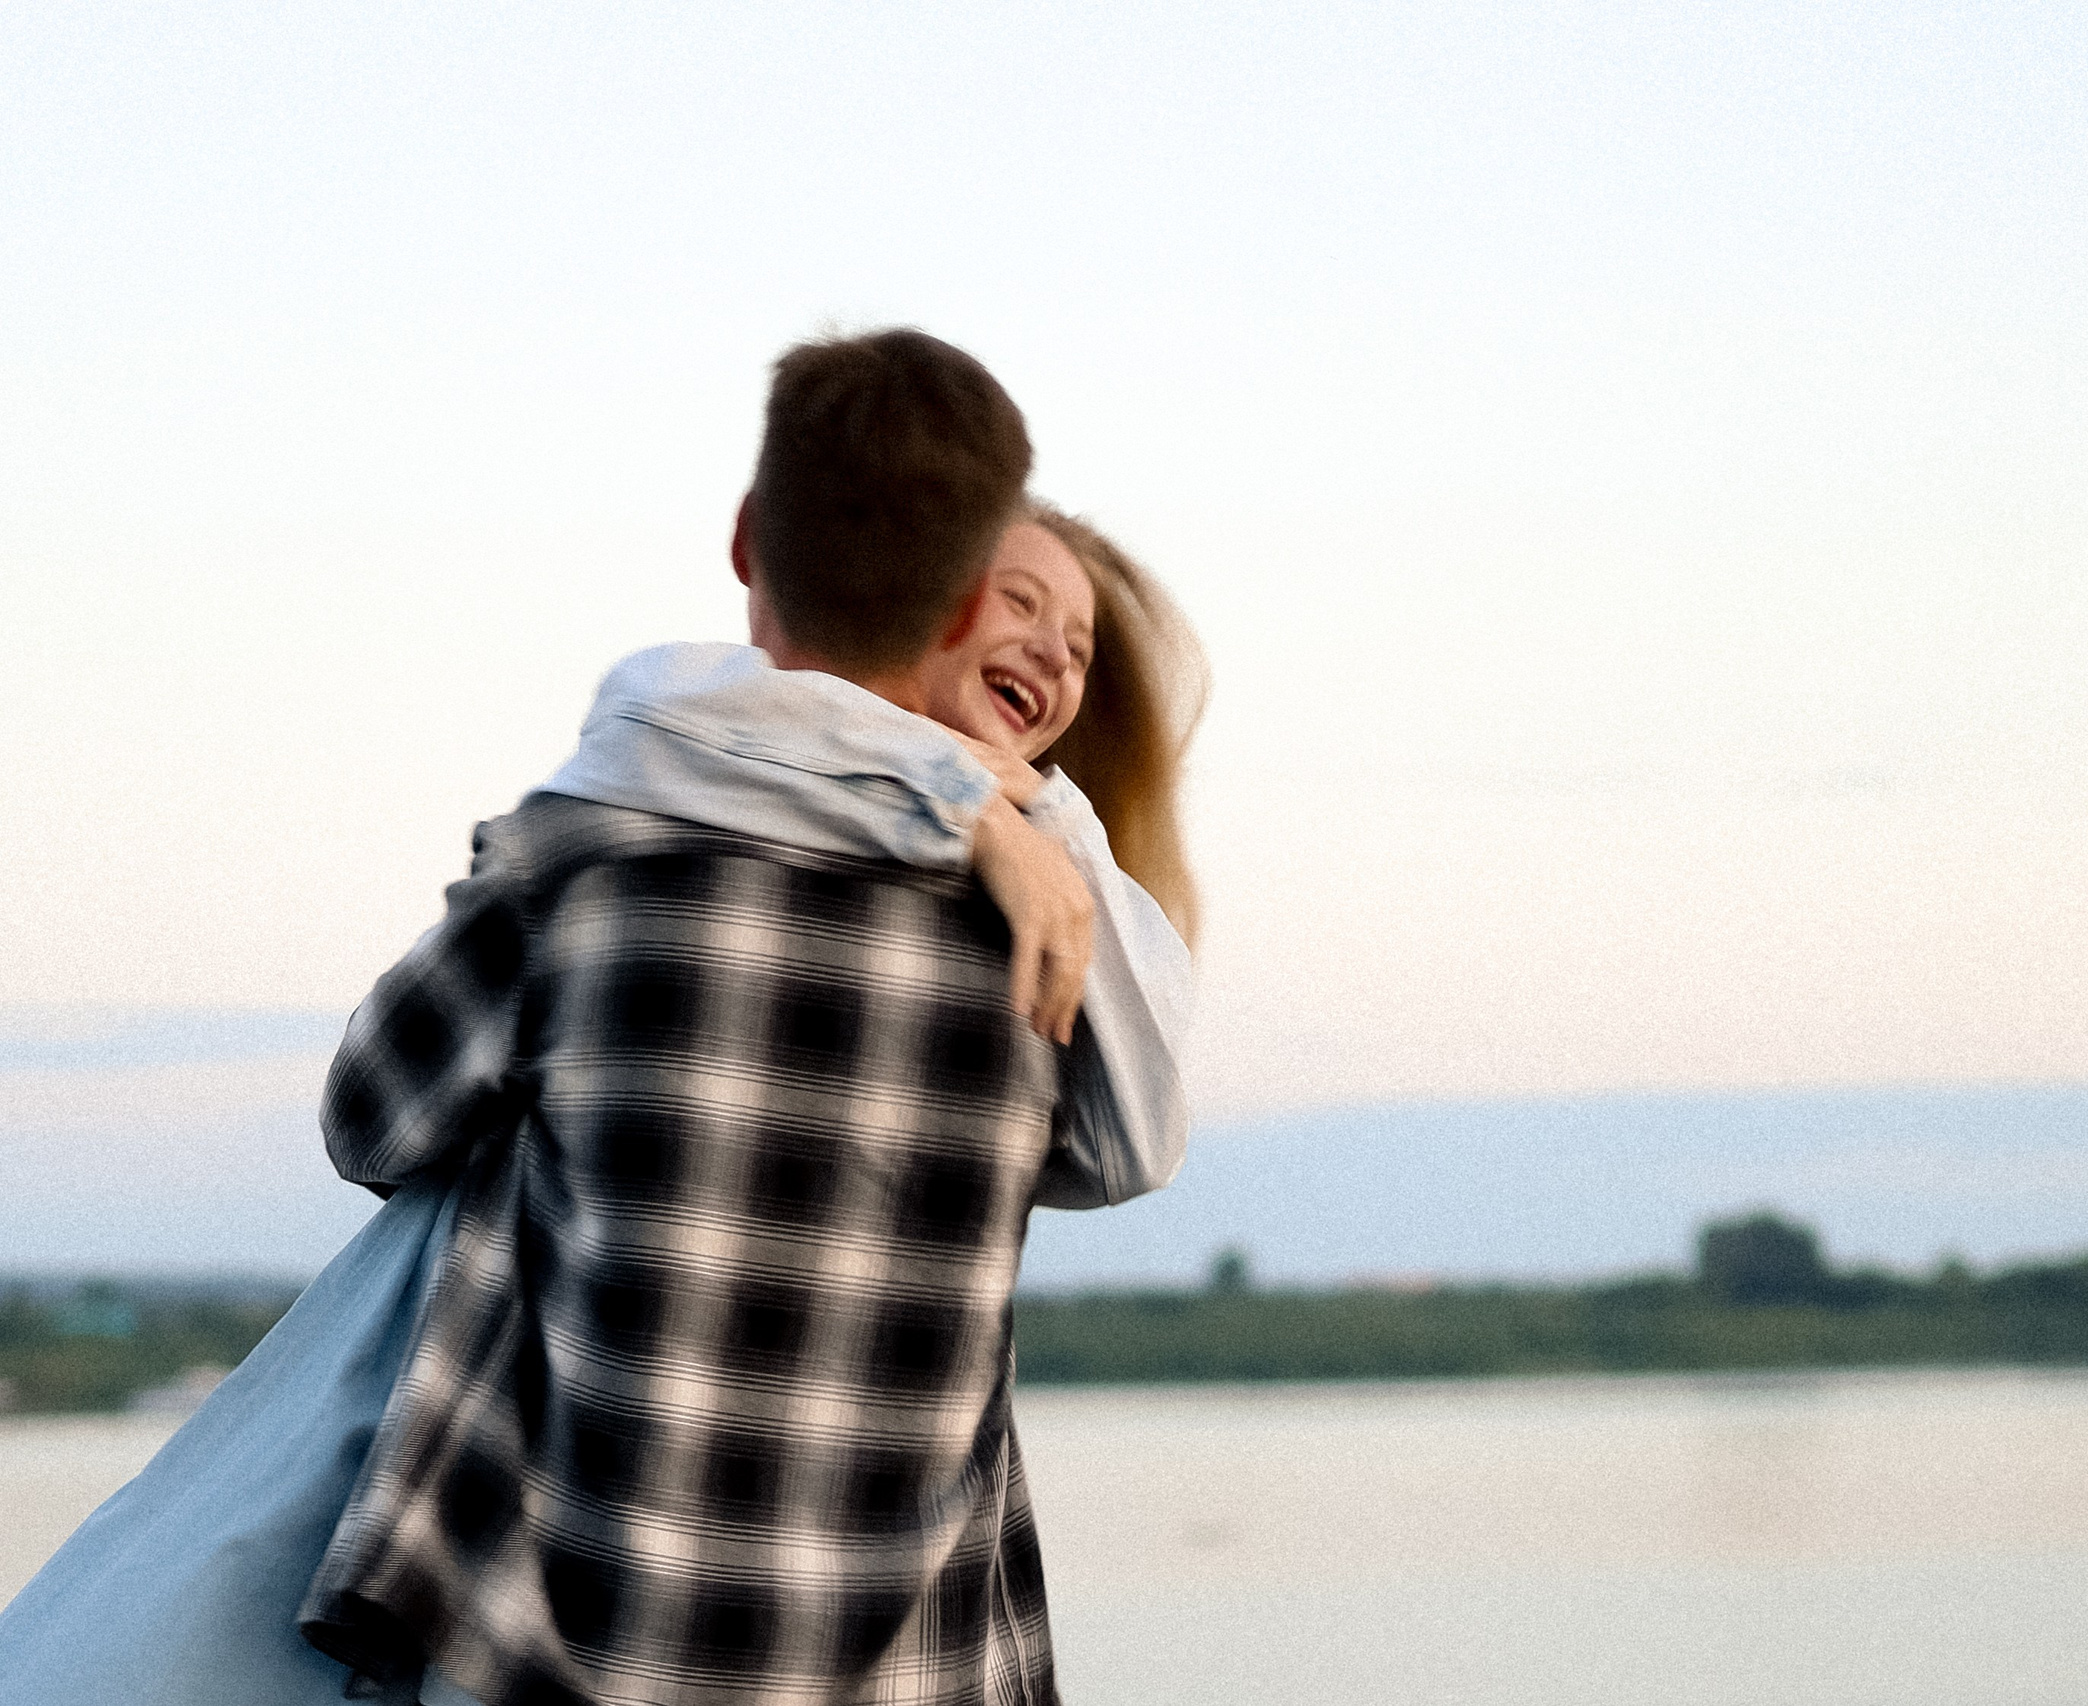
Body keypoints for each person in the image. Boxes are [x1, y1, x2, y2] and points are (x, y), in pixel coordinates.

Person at [0, 333, 1205, 1706]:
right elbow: (1124, 1151)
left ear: (748, 539)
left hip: (569, 1656)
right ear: (952, 611)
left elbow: (373, 1119)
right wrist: (993, 806)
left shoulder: (586, 870)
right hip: (896, 1663)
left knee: (503, 1144)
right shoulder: (1037, 942)